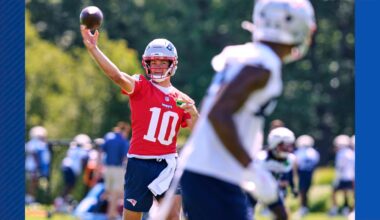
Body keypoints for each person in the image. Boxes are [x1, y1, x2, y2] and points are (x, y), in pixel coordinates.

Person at [179, 0, 317, 219]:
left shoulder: (245, 54)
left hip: (207, 171)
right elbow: (218, 113)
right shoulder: (264, 64)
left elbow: (212, 109)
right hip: (215, 175)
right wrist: (251, 167)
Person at [80, 25, 199, 220]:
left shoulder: (181, 99)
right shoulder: (141, 86)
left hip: (168, 163)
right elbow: (116, 75)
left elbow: (199, 134)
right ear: (147, 64)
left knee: (172, 217)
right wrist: (94, 49)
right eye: (154, 62)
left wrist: (194, 114)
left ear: (173, 64)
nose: (158, 66)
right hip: (139, 163)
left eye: (163, 62)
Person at [101, 121, 130, 220]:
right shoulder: (123, 140)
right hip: (118, 169)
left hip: (107, 168)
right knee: (115, 193)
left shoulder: (108, 137)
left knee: (109, 192)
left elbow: (101, 151)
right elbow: (124, 158)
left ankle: (110, 213)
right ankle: (111, 215)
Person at [57, 133, 92, 211]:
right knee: (69, 186)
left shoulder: (72, 148)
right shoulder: (82, 150)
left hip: (66, 166)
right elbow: (84, 160)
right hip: (71, 168)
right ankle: (59, 202)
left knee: (69, 186)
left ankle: (62, 202)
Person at [329, 134, 355, 216]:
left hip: (342, 177)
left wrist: (336, 178)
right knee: (347, 193)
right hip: (351, 177)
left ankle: (334, 209)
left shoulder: (340, 154)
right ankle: (346, 208)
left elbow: (340, 167)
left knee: (333, 192)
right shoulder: (351, 153)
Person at [294, 134, 320, 216]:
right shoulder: (313, 152)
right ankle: (304, 207)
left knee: (302, 191)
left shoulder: (299, 152)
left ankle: (303, 207)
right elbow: (315, 162)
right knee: (305, 191)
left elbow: (296, 163)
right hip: (309, 173)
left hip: (302, 173)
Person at [25, 126, 51, 204]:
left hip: (35, 167)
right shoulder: (34, 143)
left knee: (35, 183)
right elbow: (34, 154)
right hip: (34, 167)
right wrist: (38, 166)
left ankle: (31, 199)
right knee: (33, 183)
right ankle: (29, 199)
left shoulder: (37, 143)